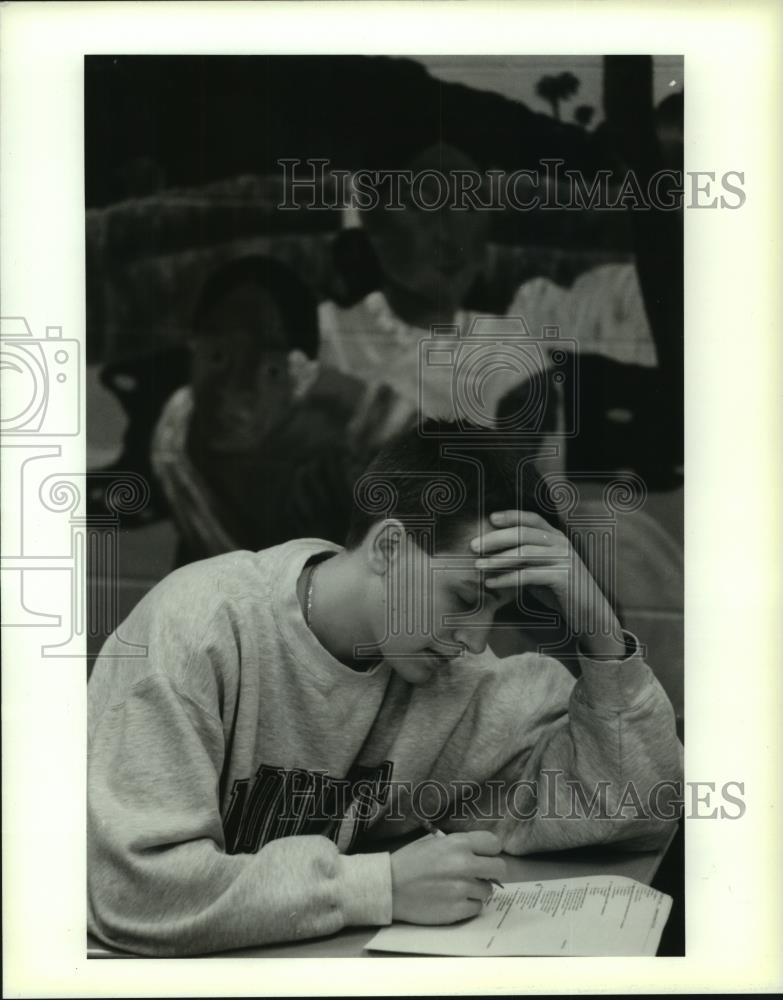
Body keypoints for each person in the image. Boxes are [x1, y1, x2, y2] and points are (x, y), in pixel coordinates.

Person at [88, 418, 683, 957]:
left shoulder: (455, 679)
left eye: (492, 611)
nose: (475, 640)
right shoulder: (195, 629)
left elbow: (640, 807)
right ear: (390, 546)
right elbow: (132, 894)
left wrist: (599, 628)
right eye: (465, 598)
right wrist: (383, 886)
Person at [151, 255, 371, 564]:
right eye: (217, 356)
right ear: (193, 349)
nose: (235, 387)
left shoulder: (333, 470)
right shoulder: (177, 449)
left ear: (301, 377)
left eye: (269, 371)